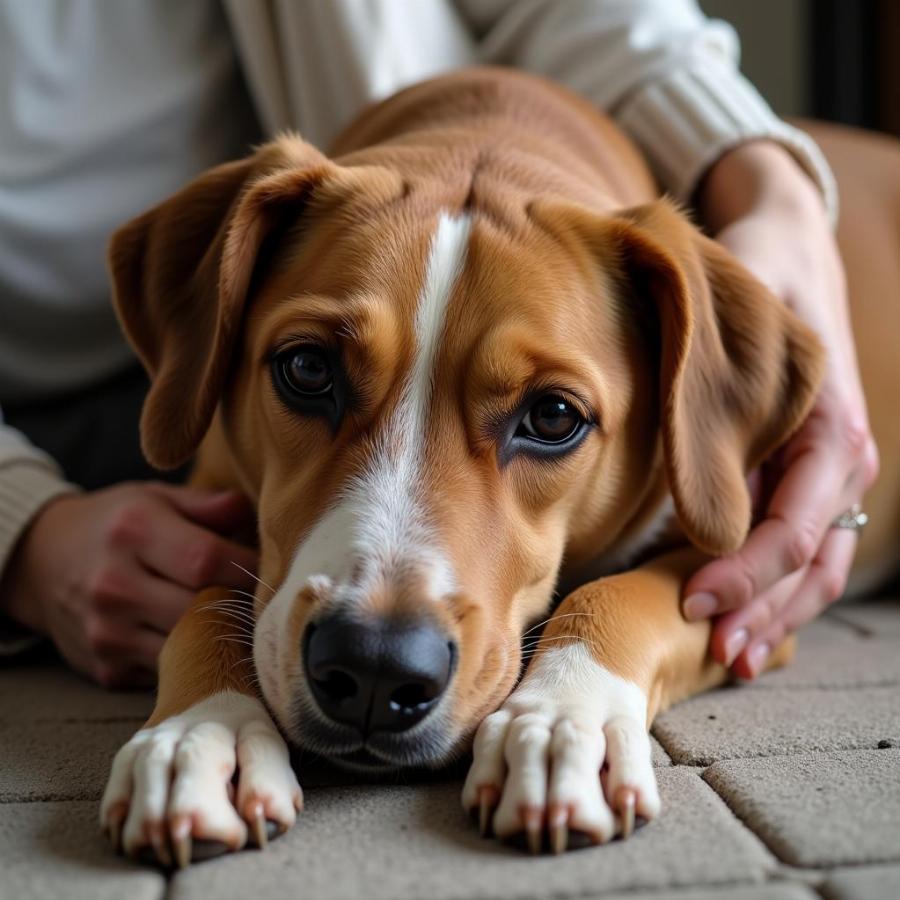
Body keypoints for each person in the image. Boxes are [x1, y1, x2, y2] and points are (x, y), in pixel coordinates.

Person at [0, 0, 877, 688]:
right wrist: (23, 532)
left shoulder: (622, 313)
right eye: (311, 372)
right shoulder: (258, 301)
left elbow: (595, 12)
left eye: (549, 414)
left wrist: (777, 193)